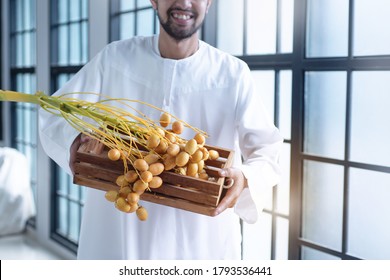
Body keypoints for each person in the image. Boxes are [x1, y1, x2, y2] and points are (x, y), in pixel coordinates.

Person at [39, 0, 283, 259]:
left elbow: (267, 150)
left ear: (209, 3)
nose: (185, 3)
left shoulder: (233, 73)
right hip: (118, 229)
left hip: (201, 240)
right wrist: (77, 140)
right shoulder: (114, 58)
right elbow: (57, 111)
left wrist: (245, 177)